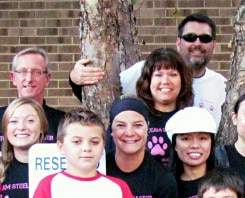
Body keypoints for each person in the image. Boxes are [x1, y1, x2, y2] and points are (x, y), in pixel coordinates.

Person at [70, 13, 226, 126]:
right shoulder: (144, 70)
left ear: (214, 44)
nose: (197, 43)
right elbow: (103, 94)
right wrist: (75, 79)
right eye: (190, 37)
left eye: (205, 38)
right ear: (178, 42)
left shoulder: (222, 86)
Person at [0, 47, 65, 175]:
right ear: (13, 77)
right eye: (22, 72)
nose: (29, 78)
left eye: (36, 72)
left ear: (47, 79)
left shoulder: (63, 121)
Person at [134, 47, 194, 167]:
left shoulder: (191, 119)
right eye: (158, 75)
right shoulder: (137, 118)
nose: (165, 81)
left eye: (173, 74)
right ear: (148, 81)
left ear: (182, 81)